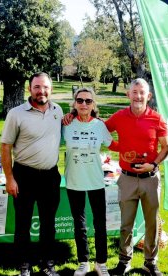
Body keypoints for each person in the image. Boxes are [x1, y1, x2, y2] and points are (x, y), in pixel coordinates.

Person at [106, 78, 168, 275]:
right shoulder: (119, 116)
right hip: (127, 179)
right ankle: (124, 261)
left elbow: (166, 146)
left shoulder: (157, 119)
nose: (138, 96)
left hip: (151, 179)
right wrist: (119, 147)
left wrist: (154, 164)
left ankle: (150, 262)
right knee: (126, 223)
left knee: (152, 223)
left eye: (142, 92)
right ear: (128, 95)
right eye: (134, 92)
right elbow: (101, 132)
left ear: (148, 96)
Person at [0, 72, 63, 276]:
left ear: (51, 89)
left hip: (50, 176)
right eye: (37, 87)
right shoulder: (16, 113)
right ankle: (24, 266)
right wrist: (9, 178)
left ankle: (48, 265)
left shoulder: (58, 111)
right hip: (24, 176)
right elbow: (5, 147)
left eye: (45, 87)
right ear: (30, 89)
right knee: (23, 223)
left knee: (48, 224)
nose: (41, 91)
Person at [62, 88, 114, 276]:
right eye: (80, 100)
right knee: (80, 224)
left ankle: (101, 263)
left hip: (96, 181)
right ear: (75, 103)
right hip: (74, 180)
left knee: (100, 223)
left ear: (94, 105)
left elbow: (113, 145)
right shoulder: (66, 124)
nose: (84, 104)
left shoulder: (100, 126)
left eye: (88, 101)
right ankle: (83, 262)